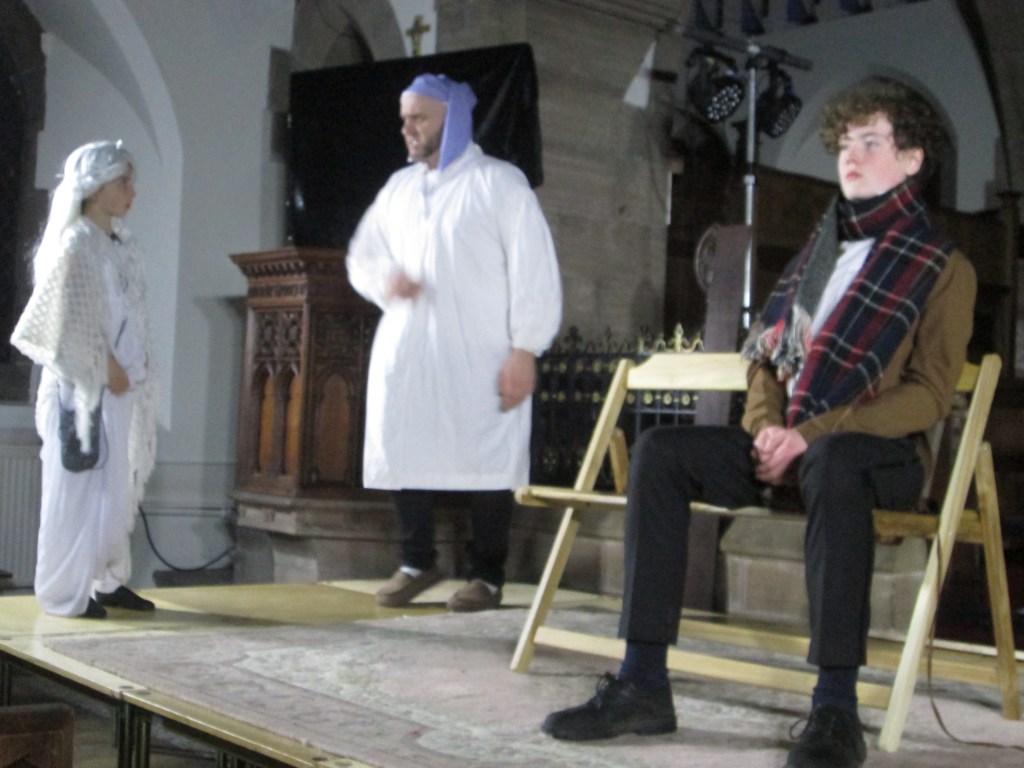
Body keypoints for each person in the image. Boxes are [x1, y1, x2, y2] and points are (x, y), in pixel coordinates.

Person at [541, 77, 976, 768]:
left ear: (913, 158)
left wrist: (810, 435)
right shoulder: (821, 249)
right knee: (660, 452)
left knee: (833, 462)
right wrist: (770, 429)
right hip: (792, 441)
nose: (850, 156)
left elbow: (927, 395)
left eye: (871, 142)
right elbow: (766, 361)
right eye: (844, 143)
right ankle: (642, 683)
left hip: (879, 455)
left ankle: (835, 710)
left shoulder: (943, 266)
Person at [347, 73, 562, 612]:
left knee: (487, 454)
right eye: (404, 119)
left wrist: (525, 348)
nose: (407, 129)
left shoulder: (499, 184)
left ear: (453, 119)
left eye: (418, 117)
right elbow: (362, 255)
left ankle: (486, 574)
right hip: (410, 351)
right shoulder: (399, 189)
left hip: (482, 352)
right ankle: (416, 561)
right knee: (404, 440)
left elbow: (534, 268)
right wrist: (385, 279)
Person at [11, 141, 158, 619]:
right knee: (75, 494)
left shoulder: (122, 245)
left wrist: (135, 366)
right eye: (123, 183)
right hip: (83, 393)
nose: (132, 192)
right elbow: (63, 323)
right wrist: (106, 364)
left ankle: (106, 580)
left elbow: (128, 315)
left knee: (115, 494)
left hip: (120, 391)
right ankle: (63, 594)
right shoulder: (74, 245)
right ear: (95, 188)